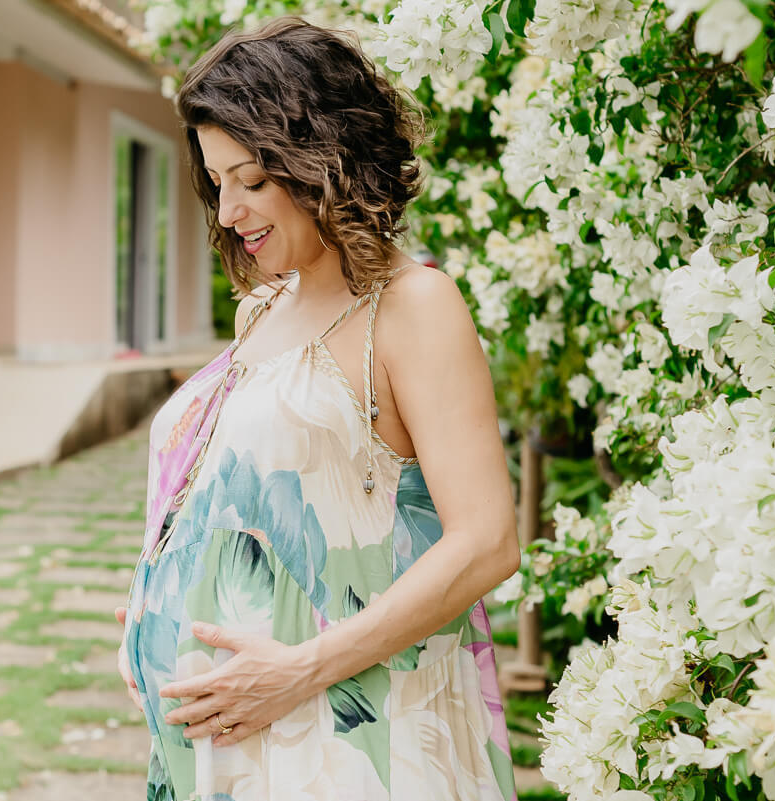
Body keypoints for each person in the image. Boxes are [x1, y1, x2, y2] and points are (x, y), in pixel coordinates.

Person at [114, 17, 521, 801]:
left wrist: (299, 669)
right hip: (227, 753)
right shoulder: (263, 307)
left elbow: (487, 541)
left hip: (349, 747)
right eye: (217, 180)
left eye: (252, 180)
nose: (228, 211)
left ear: (323, 161)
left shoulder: (412, 307)